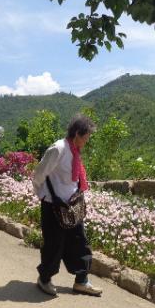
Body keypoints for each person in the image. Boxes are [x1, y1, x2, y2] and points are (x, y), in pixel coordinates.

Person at [32, 114, 102, 297]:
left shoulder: (74, 150)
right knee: (54, 244)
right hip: (54, 206)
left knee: (80, 242)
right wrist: (45, 196)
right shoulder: (59, 149)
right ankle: (44, 279)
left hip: (72, 206)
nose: (87, 140)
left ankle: (81, 281)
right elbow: (39, 174)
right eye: (86, 136)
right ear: (77, 133)